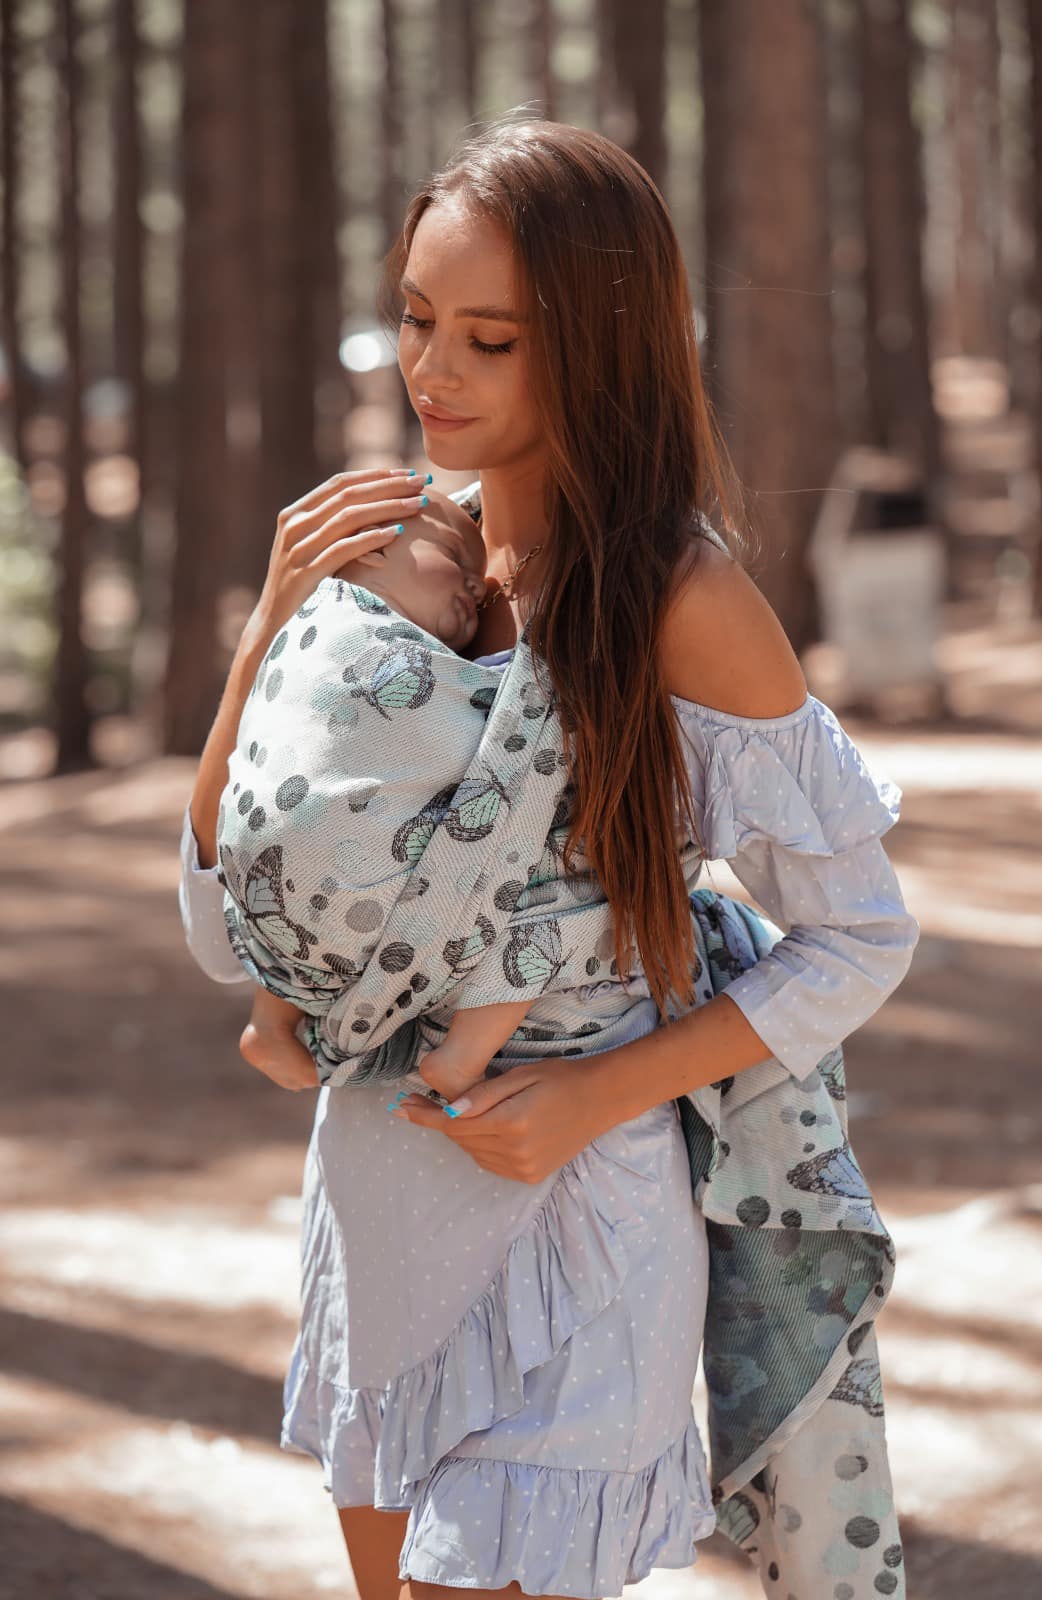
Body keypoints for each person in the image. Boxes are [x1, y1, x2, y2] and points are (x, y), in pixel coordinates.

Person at [179, 116, 919, 1600]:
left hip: (579, 1216)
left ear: (595, 341)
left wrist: (592, 1093)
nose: (429, 373)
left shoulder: (681, 599)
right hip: (378, 1194)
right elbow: (224, 918)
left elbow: (859, 936)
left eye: (489, 338)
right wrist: (267, 631)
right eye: (414, 320)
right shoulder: (394, 563)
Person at [224, 484, 541, 1109]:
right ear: (369, 550)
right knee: (533, 867)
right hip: (328, 869)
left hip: (276, 884)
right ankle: (464, 1055)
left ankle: (270, 1019)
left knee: (298, 866)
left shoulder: (330, 627)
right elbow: (508, 745)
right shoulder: (331, 625)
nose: (479, 586)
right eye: (455, 554)